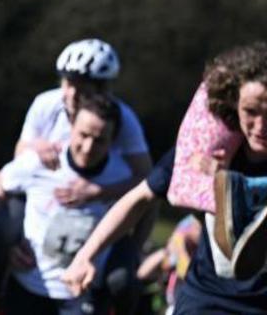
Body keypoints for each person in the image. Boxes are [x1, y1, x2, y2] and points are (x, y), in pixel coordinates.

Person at [63, 42, 267, 313]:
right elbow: (139, 197)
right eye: (251, 111)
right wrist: (86, 255)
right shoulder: (208, 150)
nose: (261, 126)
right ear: (233, 104)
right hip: (207, 300)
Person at [12, 38, 151, 311]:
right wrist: (34, 146)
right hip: (41, 202)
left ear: (103, 89)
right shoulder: (46, 104)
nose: (71, 94)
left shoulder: (122, 121)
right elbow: (19, 157)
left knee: (122, 280)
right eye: (66, 83)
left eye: (81, 87)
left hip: (98, 216)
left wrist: (97, 193)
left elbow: (148, 184)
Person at [0, 91, 129, 314]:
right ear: (71, 127)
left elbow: (144, 209)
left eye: (99, 140)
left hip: (83, 294)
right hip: (29, 287)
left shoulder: (122, 177)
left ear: (113, 140)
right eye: (83, 135)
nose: (88, 147)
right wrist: (8, 239)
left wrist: (101, 192)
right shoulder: (40, 162)